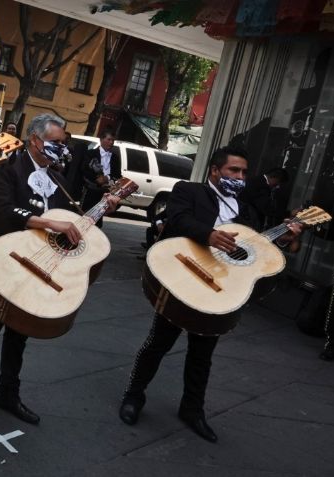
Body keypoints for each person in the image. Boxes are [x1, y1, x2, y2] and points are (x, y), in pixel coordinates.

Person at [0, 114, 120, 429]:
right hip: (8, 261)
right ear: (35, 140)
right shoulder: (9, 166)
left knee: (19, 334)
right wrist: (46, 222)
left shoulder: (59, 180)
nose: (61, 148)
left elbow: (67, 224)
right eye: (56, 142)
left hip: (41, 265)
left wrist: (98, 211)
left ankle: (8, 394)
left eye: (63, 143)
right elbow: (2, 207)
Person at [119, 146, 302, 443]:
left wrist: (283, 239)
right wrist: (208, 234)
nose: (240, 177)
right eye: (233, 170)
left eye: (244, 172)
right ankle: (134, 396)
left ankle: (192, 410)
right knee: (157, 343)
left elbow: (256, 252)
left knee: (202, 356)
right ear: (215, 170)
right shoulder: (188, 191)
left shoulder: (248, 211)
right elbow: (176, 219)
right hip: (184, 278)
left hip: (221, 290)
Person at [80, 128, 121, 225]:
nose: (111, 142)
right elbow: (84, 170)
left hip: (105, 193)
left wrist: (107, 178)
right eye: (109, 139)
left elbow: (117, 174)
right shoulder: (91, 154)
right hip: (91, 190)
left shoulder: (115, 157)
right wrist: (96, 179)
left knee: (97, 220)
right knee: (85, 216)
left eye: (113, 140)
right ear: (101, 140)